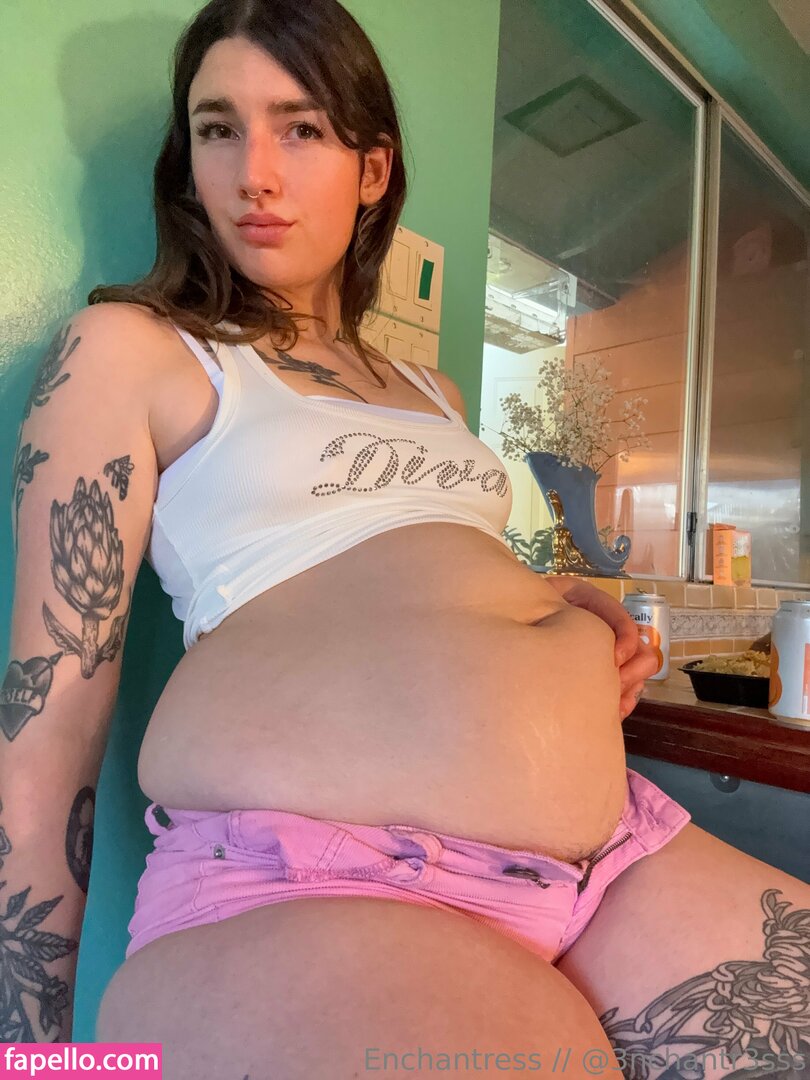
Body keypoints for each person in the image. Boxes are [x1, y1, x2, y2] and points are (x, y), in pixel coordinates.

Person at [4, 0, 808, 1073]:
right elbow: (47, 719)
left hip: (606, 853)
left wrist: (553, 609)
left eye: (301, 128)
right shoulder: (133, 350)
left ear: (372, 170)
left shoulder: (433, 391)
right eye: (217, 128)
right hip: (319, 875)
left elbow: (409, 567)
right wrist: (27, 1054)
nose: (254, 173)